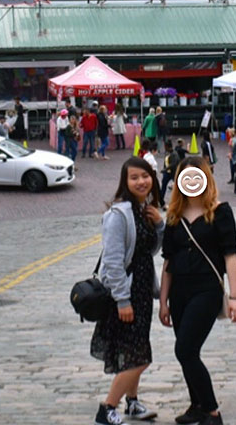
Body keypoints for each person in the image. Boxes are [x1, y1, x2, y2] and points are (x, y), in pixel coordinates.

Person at [159, 155, 236, 425]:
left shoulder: (220, 212)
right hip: (179, 291)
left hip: (206, 290)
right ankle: (196, 404)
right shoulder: (173, 216)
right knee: (186, 350)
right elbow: (168, 263)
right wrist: (163, 302)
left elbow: (230, 256)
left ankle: (212, 411)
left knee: (185, 350)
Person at [91, 157, 165, 425]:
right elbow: (112, 261)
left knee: (136, 350)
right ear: (125, 182)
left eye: (145, 176)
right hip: (127, 296)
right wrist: (123, 300)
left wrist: (158, 224)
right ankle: (107, 409)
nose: (141, 182)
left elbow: (152, 250)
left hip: (143, 294)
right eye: (134, 177)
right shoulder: (118, 215)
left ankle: (132, 403)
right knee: (138, 358)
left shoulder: (144, 210)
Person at [160, 139, 180, 209]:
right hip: (167, 173)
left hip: (173, 172)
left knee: (178, 186)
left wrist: (165, 169)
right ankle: (161, 199)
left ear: (167, 146)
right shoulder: (168, 153)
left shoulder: (174, 154)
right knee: (163, 186)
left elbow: (173, 164)